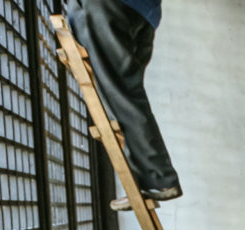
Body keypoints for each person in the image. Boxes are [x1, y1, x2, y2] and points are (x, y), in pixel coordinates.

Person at [66, 0, 182, 211]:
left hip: (107, 6)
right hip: (145, 13)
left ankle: (159, 178)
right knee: (126, 92)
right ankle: (154, 178)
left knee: (118, 92)